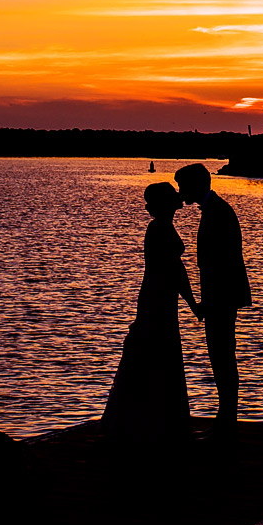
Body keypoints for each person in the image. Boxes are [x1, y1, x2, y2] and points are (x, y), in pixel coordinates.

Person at [101, 182, 200, 441]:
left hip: (160, 295)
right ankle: (153, 421)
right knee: (156, 351)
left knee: (157, 352)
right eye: (173, 195)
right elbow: (175, 271)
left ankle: (155, 419)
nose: (179, 197)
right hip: (158, 296)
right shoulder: (159, 229)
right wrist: (193, 304)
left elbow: (176, 271)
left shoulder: (162, 227)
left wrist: (190, 303)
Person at [174, 163, 251, 436]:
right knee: (221, 355)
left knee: (222, 356)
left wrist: (210, 300)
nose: (180, 192)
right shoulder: (216, 210)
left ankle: (226, 419)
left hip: (222, 296)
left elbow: (221, 262)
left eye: (183, 186)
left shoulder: (218, 213)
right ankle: (226, 417)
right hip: (222, 295)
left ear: (195, 186)